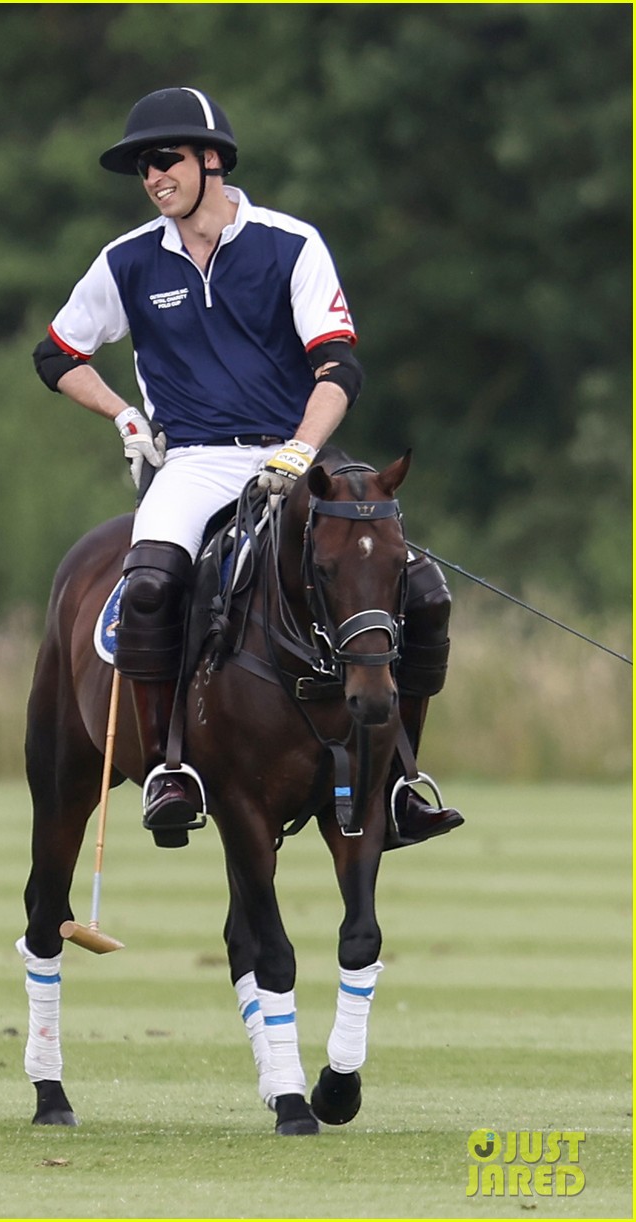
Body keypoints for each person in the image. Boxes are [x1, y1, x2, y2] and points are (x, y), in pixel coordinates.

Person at [33, 86, 463, 849]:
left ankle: (398, 779)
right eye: (142, 166)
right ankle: (172, 768)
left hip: (294, 453)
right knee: (153, 584)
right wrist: (123, 414)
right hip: (193, 462)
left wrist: (301, 449)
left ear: (212, 160)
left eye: (164, 159)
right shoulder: (127, 260)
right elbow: (57, 354)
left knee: (421, 590)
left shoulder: (289, 244)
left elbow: (338, 367)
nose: (152, 176)